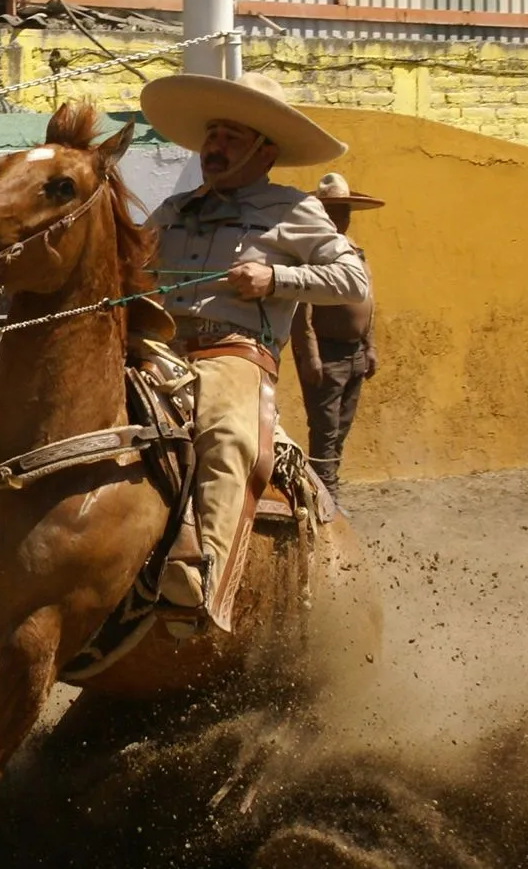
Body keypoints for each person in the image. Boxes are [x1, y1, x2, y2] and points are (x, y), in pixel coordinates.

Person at [139, 71, 369, 631]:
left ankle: (203, 581)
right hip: (155, 346)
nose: (214, 145)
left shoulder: (293, 209)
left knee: (225, 435)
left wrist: (274, 278)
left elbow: (353, 279)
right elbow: (133, 268)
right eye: (212, 133)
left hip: (233, 353)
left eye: (231, 137)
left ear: (265, 151)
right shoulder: (172, 209)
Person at [290, 172, 384, 503]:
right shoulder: (310, 255)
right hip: (327, 355)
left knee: (340, 430)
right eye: (332, 210)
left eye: (344, 210)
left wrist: (369, 346)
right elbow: (301, 312)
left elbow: (368, 301)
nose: (340, 217)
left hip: (355, 353)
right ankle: (325, 499)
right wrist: (311, 355)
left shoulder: (355, 253)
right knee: (325, 431)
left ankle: (326, 490)